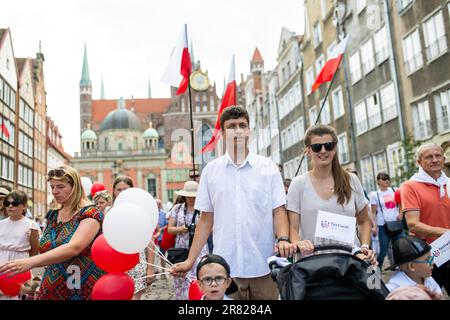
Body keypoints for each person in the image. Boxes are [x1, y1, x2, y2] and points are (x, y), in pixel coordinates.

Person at [171, 105, 293, 300]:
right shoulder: (211, 171)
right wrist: (189, 261)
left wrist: (284, 239)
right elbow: (205, 221)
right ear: (222, 132)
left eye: (242, 125)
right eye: (231, 126)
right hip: (225, 269)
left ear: (249, 131)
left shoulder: (268, 167)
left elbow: (278, 211)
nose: (237, 130)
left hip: (263, 264)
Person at [0, 165, 104, 300]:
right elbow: (47, 249)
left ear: (75, 187)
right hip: (52, 285)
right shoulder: (54, 214)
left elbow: (74, 247)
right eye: (52, 187)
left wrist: (30, 262)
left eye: (60, 187)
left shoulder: (91, 213)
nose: (54, 191)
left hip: (80, 286)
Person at [287, 124, 376, 265]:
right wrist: (299, 243)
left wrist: (364, 246)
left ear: (334, 149)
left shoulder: (351, 180)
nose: (323, 150)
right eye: (317, 147)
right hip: (312, 263)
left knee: (373, 283)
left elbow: (364, 220)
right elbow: (292, 227)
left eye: (328, 145)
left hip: (349, 262)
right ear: (308, 151)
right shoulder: (298, 184)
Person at [401, 143, 450, 293]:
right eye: (429, 157)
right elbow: (413, 225)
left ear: (443, 158)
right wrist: (447, 232)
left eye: (438, 156)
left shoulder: (448, 183)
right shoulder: (411, 186)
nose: (435, 160)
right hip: (427, 256)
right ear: (419, 162)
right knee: (428, 296)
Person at [111, 175, 152, 300]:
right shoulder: (109, 211)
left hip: (136, 260)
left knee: (135, 297)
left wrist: (150, 268)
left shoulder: (140, 211)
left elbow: (150, 241)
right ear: (113, 191)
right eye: (119, 189)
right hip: (115, 262)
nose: (122, 193)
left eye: (126, 189)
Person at [167, 181, 209, 300]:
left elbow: (211, 228)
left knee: (199, 276)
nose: (191, 199)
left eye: (194, 196)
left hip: (200, 249)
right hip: (181, 249)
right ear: (184, 196)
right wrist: (181, 229)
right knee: (180, 278)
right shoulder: (177, 209)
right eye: (189, 196)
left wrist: (199, 230)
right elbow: (169, 229)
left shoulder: (204, 210)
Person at [0, 190, 40, 300]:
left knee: (19, 295)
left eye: (15, 203)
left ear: (24, 206)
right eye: (7, 204)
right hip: (1, 265)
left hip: (20, 266)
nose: (10, 206)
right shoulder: (1, 224)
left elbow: (34, 251)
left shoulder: (31, 226)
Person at [370, 172, 404, 268]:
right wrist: (374, 226)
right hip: (383, 225)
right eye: (384, 179)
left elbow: (402, 203)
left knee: (400, 248)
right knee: (383, 251)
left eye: (387, 178)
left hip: (396, 223)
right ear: (378, 181)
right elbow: (373, 212)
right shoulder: (375, 195)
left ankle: (401, 268)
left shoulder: (395, 190)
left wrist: (401, 214)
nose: (387, 181)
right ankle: (376, 269)